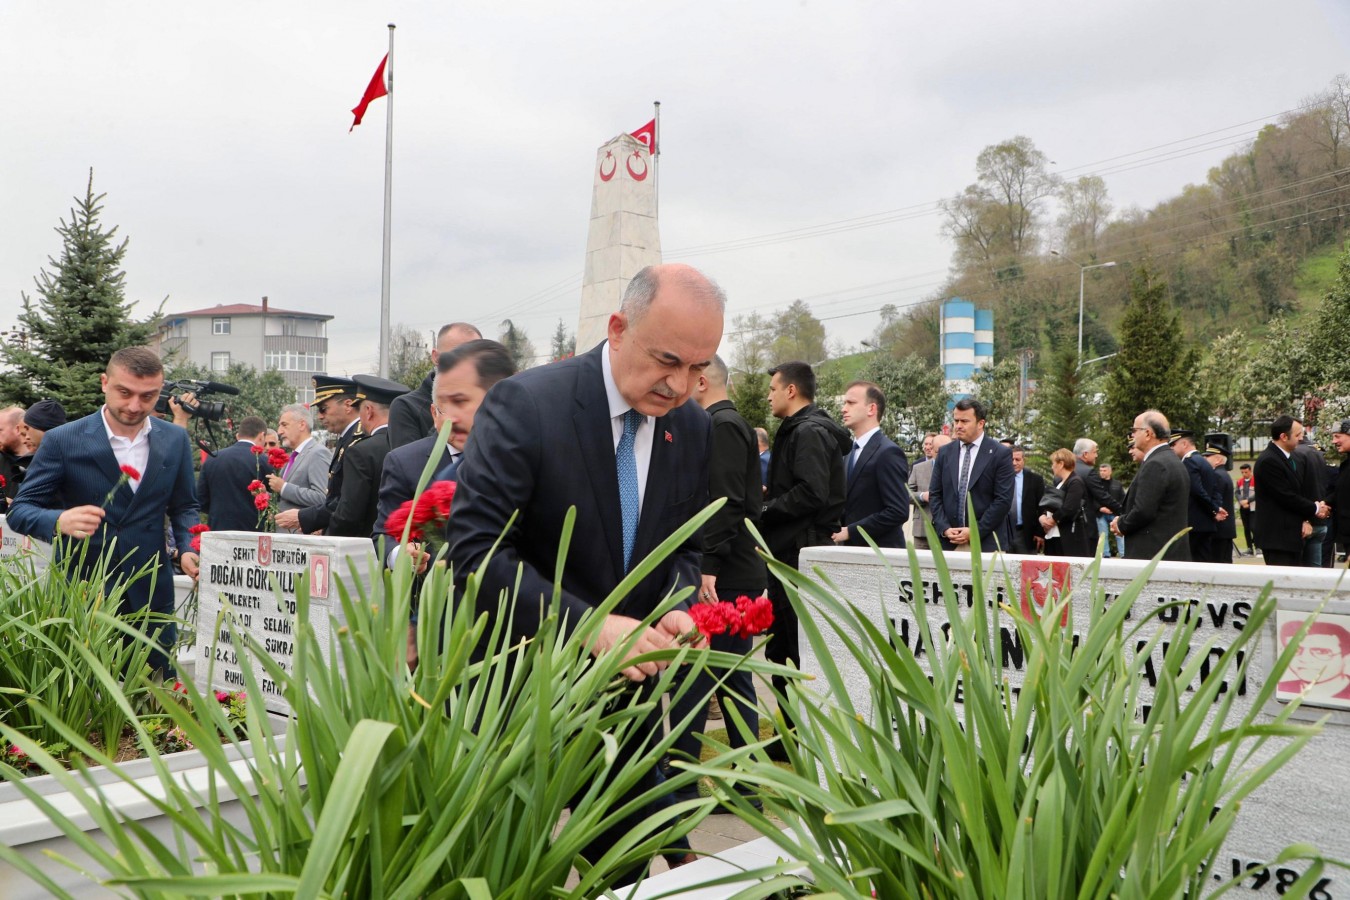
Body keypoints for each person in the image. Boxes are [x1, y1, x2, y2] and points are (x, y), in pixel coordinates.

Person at [446, 263, 721, 879]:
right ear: (618, 328)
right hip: (519, 696)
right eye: (667, 360)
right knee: (506, 875)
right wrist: (591, 626)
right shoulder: (529, 403)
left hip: (629, 704)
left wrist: (674, 605)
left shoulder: (694, 428)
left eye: (699, 368)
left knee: (618, 871)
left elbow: (683, 548)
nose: (680, 385)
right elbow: (476, 551)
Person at [8, 347, 201, 675]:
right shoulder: (62, 440)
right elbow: (21, 510)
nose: (134, 406)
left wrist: (188, 547)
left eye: (148, 396)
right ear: (104, 383)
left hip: (152, 595)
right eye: (124, 392)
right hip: (84, 593)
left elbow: (185, 506)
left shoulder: (175, 440)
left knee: (157, 699)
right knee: (88, 703)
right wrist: (59, 520)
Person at [667, 354, 766, 809]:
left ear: (702, 380)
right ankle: (733, 780)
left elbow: (725, 503)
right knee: (724, 677)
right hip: (725, 567)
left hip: (721, 574)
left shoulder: (721, 424)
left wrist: (706, 564)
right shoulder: (727, 422)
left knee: (711, 676)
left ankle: (691, 779)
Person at [761, 359, 850, 725]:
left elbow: (812, 493)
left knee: (799, 648)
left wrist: (766, 508)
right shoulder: (798, 428)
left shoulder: (808, 431)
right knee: (780, 647)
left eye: (772, 389)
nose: (768, 397)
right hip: (790, 546)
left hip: (800, 550)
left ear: (791, 390)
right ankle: (793, 736)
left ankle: (808, 735)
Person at [374, 338, 515, 561]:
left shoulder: (518, 459)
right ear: (432, 413)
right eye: (442, 409)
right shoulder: (403, 462)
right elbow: (384, 535)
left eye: (460, 402)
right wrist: (401, 555)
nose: (451, 419)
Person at [274, 375, 364, 534]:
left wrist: (285, 489)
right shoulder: (345, 439)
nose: (320, 416)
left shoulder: (326, 450)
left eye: (324, 408)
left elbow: (336, 500)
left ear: (348, 405)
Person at [327, 375, 408, 538]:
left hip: (366, 550)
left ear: (369, 411)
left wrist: (327, 535)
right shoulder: (412, 446)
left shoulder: (361, 452)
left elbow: (348, 515)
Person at [928, 398, 1014, 552]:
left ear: (981, 423)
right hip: (949, 543)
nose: (958, 426)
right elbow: (935, 494)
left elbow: (1003, 500)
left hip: (986, 544)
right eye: (956, 420)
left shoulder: (999, 454)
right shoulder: (945, 453)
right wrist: (945, 528)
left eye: (964, 421)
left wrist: (975, 531)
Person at [833, 381, 909, 548]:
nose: (844, 409)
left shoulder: (888, 452)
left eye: (851, 403)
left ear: (871, 409)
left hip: (881, 554)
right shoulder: (849, 452)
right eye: (844, 403)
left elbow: (898, 511)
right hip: (851, 553)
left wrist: (852, 531)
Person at [1111, 410, 1191, 562]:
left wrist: (1121, 524)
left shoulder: (1156, 464)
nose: (1132, 435)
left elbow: (1144, 510)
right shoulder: (1171, 460)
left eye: (1134, 430)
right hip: (1168, 552)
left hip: (1153, 554)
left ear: (1148, 434)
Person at [387, 322, 483, 449]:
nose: (466, 366)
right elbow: (410, 464)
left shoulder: (489, 402)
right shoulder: (407, 407)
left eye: (475, 357)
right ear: (436, 357)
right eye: (457, 356)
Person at [1251, 415, 1330, 567]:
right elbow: (1286, 496)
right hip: (1278, 538)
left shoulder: (1286, 458)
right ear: (1283, 437)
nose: (1301, 439)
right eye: (1297, 435)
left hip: (1289, 536)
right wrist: (1315, 508)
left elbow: (1296, 491)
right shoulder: (1269, 461)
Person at [196, 415, 275, 532]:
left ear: (238, 436)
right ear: (262, 435)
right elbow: (273, 501)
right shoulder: (263, 461)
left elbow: (201, 499)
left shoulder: (212, 458)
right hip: (252, 532)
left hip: (218, 529)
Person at [267, 404, 333, 534]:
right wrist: (265, 494)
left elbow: (322, 498)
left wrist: (284, 487)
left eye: (284, 425)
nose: (279, 431)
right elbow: (285, 500)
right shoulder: (293, 457)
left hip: (302, 539)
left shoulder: (317, 453)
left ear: (302, 425)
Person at [1170, 429, 1227, 562]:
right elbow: (1214, 490)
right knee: (1203, 561)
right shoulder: (1203, 461)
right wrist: (1215, 509)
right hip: (1206, 523)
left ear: (1184, 444)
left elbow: (1197, 491)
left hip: (1194, 523)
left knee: (1193, 563)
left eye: (1173, 444)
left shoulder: (1189, 462)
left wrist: (1215, 509)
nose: (1171, 448)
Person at [1276, 617, 1350, 703]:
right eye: (1295, 650)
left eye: (1321, 651)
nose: (1305, 659)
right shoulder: (1280, 689)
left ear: (1346, 658)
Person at [1039, 448, 1091, 557]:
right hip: (1053, 534)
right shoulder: (1059, 482)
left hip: (1067, 536)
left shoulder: (1075, 481)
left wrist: (1052, 520)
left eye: (1053, 463)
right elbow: (1052, 504)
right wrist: (1043, 516)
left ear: (1061, 464)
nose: (1052, 466)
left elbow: (1070, 508)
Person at [1072, 438, 1119, 554]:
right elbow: (1102, 496)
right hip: (1086, 526)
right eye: (1095, 452)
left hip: (1068, 527)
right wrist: (1122, 510)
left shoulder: (1066, 470)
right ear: (1085, 454)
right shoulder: (1089, 472)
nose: (1097, 455)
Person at [908, 433, 947, 549]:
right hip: (922, 529)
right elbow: (905, 493)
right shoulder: (918, 468)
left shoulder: (957, 469)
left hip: (947, 531)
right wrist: (922, 496)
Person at [1007, 445, 1045, 555]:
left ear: (1024, 460)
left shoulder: (1035, 479)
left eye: (1017, 459)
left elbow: (1042, 506)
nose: (1014, 463)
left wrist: (1039, 533)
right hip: (1005, 532)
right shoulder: (1000, 478)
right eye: (1011, 460)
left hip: (1026, 533)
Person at [1203, 445, 1237, 564]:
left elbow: (1216, 502)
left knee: (1218, 563)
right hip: (1225, 529)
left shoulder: (1217, 475)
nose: (1205, 459)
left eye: (1208, 456)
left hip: (1219, 529)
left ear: (1218, 460)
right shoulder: (1224, 474)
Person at [1329, 419, 1350, 568]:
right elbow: (1341, 493)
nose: (1333, 441)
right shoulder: (1346, 465)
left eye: (1337, 436)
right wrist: (1324, 503)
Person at [1097, 463, 1126, 557]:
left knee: (1119, 534)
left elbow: (1123, 498)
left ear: (1110, 471)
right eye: (1100, 470)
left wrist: (1118, 510)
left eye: (1104, 470)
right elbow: (1092, 498)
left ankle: (1123, 554)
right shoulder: (1096, 484)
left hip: (1115, 513)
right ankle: (1105, 555)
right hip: (1101, 513)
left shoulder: (1117, 484)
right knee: (1102, 535)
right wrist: (1100, 508)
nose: (1102, 472)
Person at [1235, 463, 1257, 555]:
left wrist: (1247, 501)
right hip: (1243, 508)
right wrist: (1241, 501)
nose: (1244, 474)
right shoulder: (1239, 481)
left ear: (1250, 471)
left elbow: (1258, 493)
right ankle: (1249, 548)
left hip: (1253, 508)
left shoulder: (1256, 480)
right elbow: (1237, 493)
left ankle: (1258, 546)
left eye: (1246, 472)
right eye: (1242, 472)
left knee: (1253, 527)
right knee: (1246, 528)